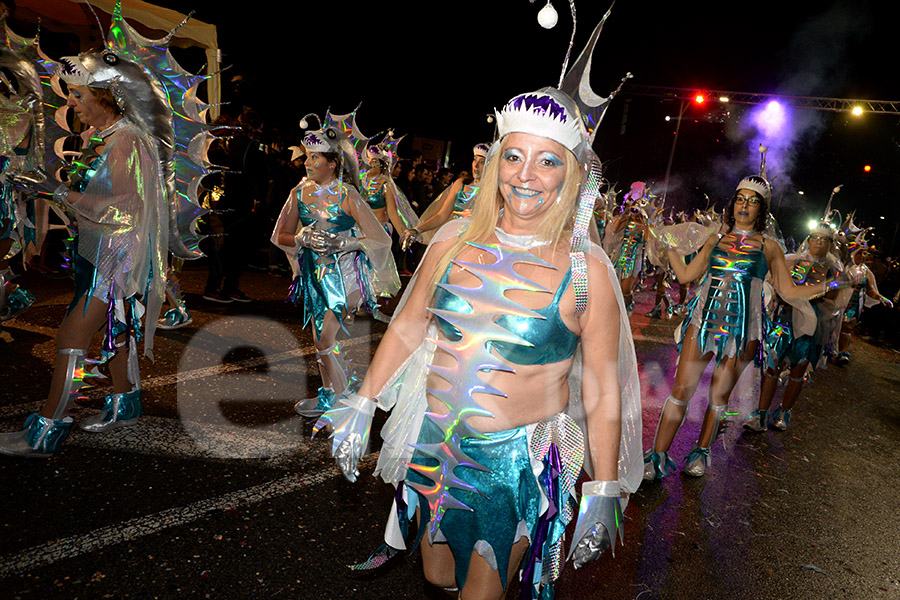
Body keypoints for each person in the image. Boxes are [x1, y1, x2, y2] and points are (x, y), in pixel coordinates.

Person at [314, 73, 642, 599]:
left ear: (573, 176)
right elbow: (409, 323)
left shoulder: (587, 274)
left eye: (548, 160)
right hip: (435, 445)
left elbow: (603, 386)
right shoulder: (452, 240)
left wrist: (604, 487)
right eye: (514, 157)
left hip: (515, 467)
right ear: (495, 164)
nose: (526, 176)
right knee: (438, 576)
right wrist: (364, 400)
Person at [643, 168, 852, 479]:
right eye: (740, 199)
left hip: (743, 330)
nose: (744, 206)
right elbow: (687, 276)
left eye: (752, 202)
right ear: (732, 204)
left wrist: (834, 285)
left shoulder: (769, 247)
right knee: (681, 389)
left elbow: (788, 290)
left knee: (719, 395)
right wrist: (667, 246)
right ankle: (658, 457)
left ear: (761, 208)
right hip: (703, 324)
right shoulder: (715, 238)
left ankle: (701, 452)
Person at [0, 81, 166, 455]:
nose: (71, 102)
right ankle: (126, 403)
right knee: (115, 330)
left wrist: (56, 192)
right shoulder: (105, 136)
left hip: (115, 255)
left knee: (71, 338)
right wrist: (42, 188)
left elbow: (123, 209)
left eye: (79, 95)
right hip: (100, 250)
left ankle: (45, 433)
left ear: (107, 99)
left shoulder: (126, 141)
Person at [272, 117, 399, 418]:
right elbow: (280, 235)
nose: (308, 162)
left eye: (315, 157)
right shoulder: (298, 193)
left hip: (348, 278)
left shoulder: (347, 195)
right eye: (307, 156)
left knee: (324, 339)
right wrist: (302, 237)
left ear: (331, 163)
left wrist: (345, 244)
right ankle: (328, 395)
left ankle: (348, 404)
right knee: (319, 338)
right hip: (315, 277)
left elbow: (379, 239)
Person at [745, 221, 843, 432]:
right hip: (783, 319)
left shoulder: (834, 269)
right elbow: (775, 281)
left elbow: (834, 297)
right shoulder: (790, 259)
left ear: (830, 244)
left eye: (823, 240)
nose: (818, 243)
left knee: (799, 368)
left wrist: (813, 292)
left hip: (811, 323)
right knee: (772, 366)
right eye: (815, 238)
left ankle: (783, 412)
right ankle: (761, 415)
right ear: (808, 240)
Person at [400, 143, 490, 249]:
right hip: (452, 239)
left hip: (476, 243)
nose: (476, 165)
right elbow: (441, 215)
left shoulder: (496, 190)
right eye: (475, 160)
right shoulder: (461, 184)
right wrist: (417, 230)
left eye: (482, 161)